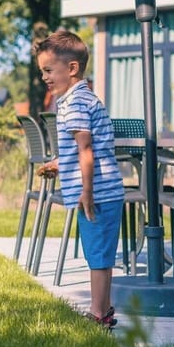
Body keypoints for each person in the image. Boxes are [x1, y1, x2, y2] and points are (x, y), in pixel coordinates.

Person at [33, 30, 125, 329]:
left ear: (71, 68)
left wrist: (86, 191)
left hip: (96, 191)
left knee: (97, 256)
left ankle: (97, 314)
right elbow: (84, 149)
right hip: (107, 189)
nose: (45, 78)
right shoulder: (85, 97)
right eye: (42, 72)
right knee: (101, 253)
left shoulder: (73, 103)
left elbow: (86, 149)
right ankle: (105, 310)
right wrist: (61, 163)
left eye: (49, 70)